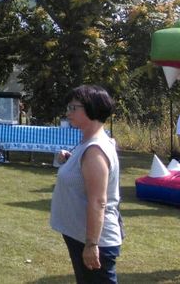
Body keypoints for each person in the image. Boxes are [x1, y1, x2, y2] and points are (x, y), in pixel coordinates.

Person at [50, 85, 123, 283]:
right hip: (80, 236)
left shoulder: (95, 150)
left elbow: (98, 200)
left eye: (73, 108)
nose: (68, 113)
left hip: (94, 240)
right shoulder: (88, 143)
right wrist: (71, 160)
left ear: (91, 109)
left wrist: (92, 245)